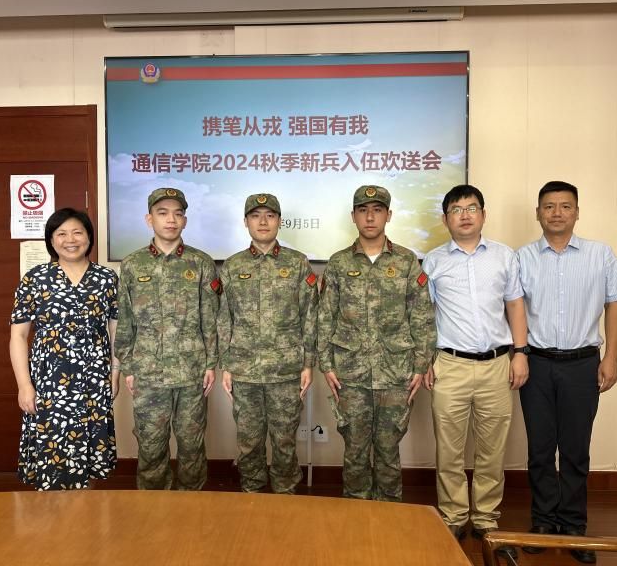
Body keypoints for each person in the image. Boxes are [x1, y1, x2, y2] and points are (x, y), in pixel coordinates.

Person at [517, 180, 617, 564]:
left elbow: (615, 306)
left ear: (577, 212)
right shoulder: (522, 258)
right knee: (539, 449)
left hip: (583, 364)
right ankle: (543, 522)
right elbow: (513, 311)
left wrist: (611, 357)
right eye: (549, 206)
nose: (557, 213)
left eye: (565, 206)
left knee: (575, 449)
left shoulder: (601, 255)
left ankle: (573, 526)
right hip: (537, 363)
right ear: (538, 213)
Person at [421, 184, 528, 560]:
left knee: (492, 448)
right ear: (445, 219)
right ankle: (453, 515)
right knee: (449, 448)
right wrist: (425, 361)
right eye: (456, 209)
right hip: (449, 364)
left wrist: (520, 353)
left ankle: (485, 517)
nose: (464, 215)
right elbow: (424, 316)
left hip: (498, 364)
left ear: (483, 214)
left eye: (471, 208)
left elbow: (515, 306)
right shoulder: (433, 261)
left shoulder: (504, 256)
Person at [317, 185, 436, 502]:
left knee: (388, 451)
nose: (370, 217)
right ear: (353, 216)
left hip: (395, 374)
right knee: (355, 451)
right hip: (350, 375)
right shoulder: (339, 263)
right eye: (363, 210)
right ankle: (355, 518)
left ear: (389, 215)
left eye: (377, 210)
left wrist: (420, 366)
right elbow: (325, 316)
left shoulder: (407, 262)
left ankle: (389, 517)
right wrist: (326, 365)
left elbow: (421, 316)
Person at [115, 187, 220, 490]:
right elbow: (126, 320)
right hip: (148, 372)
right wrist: (128, 366)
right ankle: (152, 508)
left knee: (192, 445)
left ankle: (192, 505)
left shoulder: (201, 262)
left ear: (185, 220)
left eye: (177, 213)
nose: (171, 220)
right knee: (150, 445)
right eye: (162, 213)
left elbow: (210, 318)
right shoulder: (133, 264)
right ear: (149, 219)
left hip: (191, 372)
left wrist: (211, 364)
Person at [10, 208, 119, 490]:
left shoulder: (106, 279)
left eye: (77, 232)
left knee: (90, 451)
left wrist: (115, 374)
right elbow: (18, 336)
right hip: (48, 382)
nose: (70, 240)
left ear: (89, 237)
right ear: (51, 240)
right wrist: (24, 385)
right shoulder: (35, 279)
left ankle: (86, 513)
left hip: (94, 380)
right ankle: (51, 515)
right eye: (61, 234)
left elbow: (116, 333)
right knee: (52, 451)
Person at [217, 193, 318, 493]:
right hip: (245, 371)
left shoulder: (297, 263)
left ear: (279, 221)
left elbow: (310, 316)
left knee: (285, 442)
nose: (263, 222)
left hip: (286, 371)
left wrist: (308, 364)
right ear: (245, 222)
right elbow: (224, 318)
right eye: (256, 215)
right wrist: (227, 365)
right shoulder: (233, 266)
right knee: (248, 443)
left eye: (270, 215)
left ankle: (286, 498)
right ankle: (252, 498)